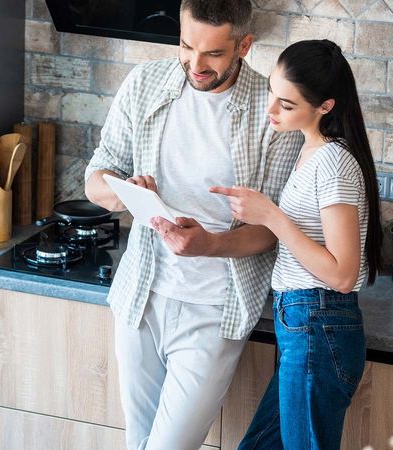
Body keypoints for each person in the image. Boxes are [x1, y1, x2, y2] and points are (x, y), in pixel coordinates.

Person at [84, 0, 304, 448]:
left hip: (214, 307)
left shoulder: (274, 112)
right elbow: (95, 179)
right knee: (138, 441)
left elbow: (271, 230)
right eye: (186, 46)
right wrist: (127, 189)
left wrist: (209, 245)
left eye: (213, 54)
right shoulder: (145, 83)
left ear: (244, 46)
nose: (195, 64)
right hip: (140, 296)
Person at [210, 39, 383, 449]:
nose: (272, 109)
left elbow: (342, 274)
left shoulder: (334, 163)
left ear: (325, 106)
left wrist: (271, 215)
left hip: (318, 323)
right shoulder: (310, 150)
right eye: (273, 91)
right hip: (305, 325)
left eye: (286, 105)